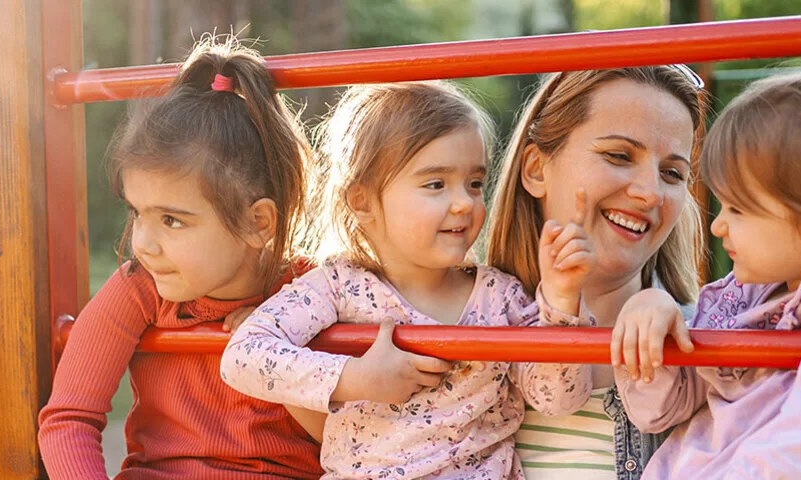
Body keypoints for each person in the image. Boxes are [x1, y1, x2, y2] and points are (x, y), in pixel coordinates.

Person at [221, 81, 594, 479]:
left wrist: (561, 299)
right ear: (362, 201)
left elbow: (558, 399)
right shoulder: (338, 285)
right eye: (436, 184)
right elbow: (242, 357)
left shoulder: (500, 297)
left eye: (474, 184)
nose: (464, 203)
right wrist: (355, 379)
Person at [36, 37, 324, 479]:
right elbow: (68, 419)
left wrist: (270, 357)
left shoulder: (313, 293)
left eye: (172, 220)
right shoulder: (141, 287)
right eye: (137, 213)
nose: (143, 244)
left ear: (259, 223)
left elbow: (349, 438)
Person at [612, 63, 801, 479]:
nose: (718, 226)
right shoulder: (749, 293)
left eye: (738, 208)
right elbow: (660, 410)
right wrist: (648, 322)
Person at [483, 66, 708, 480]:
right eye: (620, 156)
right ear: (535, 169)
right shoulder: (458, 327)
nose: (651, 192)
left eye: (672, 173)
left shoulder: (707, 346)